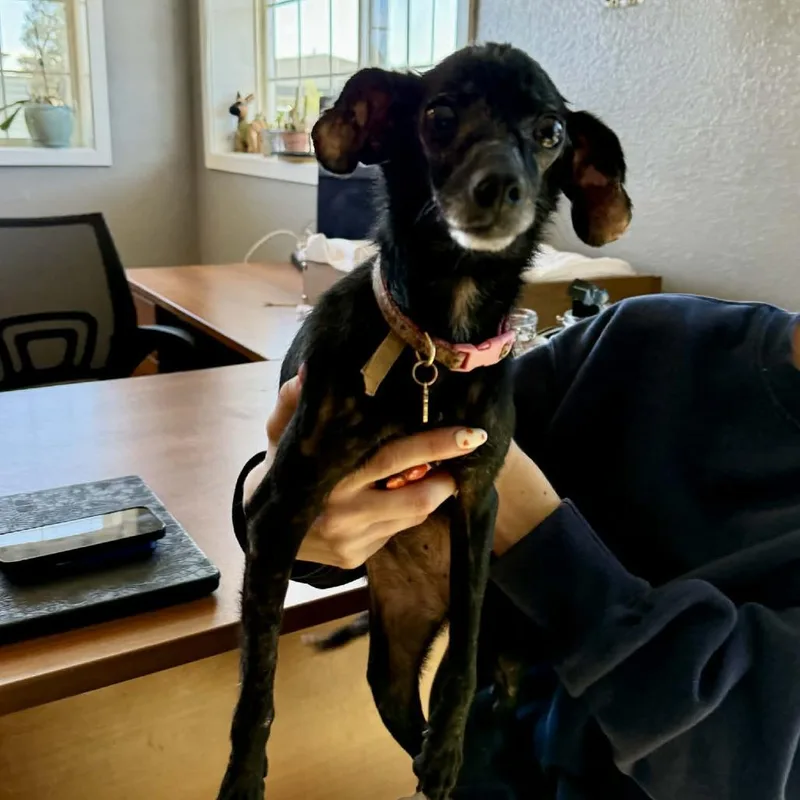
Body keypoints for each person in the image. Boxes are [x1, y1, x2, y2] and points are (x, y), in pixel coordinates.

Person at [232, 294, 800, 800]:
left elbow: (740, 763)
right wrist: (282, 500)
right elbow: (388, 497)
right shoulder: (642, 340)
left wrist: (532, 528)